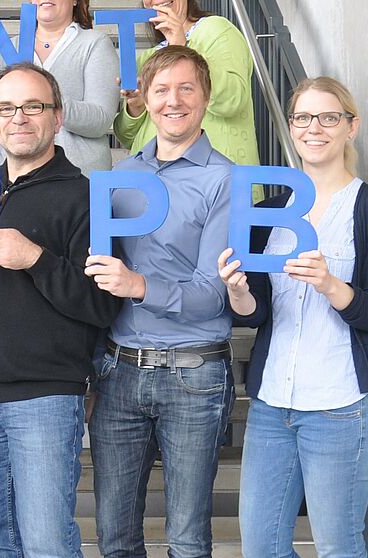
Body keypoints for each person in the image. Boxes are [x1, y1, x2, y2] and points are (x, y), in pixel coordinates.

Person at [218, 77, 368, 557]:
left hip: (341, 404)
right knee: (261, 546)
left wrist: (330, 285)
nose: (314, 128)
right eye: (303, 117)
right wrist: (237, 292)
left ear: (351, 127)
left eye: (328, 117)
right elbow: (256, 311)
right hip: (271, 404)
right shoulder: (268, 212)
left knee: (338, 546)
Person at [0, 62, 120, 557]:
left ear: (58, 117)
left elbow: (105, 304)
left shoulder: (87, 198)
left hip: (42, 400)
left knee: (47, 543)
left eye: (32, 106)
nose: (18, 117)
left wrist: (36, 260)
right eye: (5, 108)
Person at [84, 46, 234, 557]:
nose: (174, 101)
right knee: (115, 537)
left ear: (206, 97)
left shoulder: (226, 179)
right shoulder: (122, 176)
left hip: (194, 375)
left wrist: (140, 285)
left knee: (188, 540)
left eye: (186, 88)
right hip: (118, 372)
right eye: (162, 89)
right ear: (144, 100)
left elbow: (214, 295)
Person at [115, 0, 259, 194]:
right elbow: (126, 137)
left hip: (215, 186)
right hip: (157, 188)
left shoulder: (217, 29)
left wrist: (182, 47)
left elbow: (233, 100)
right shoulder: (147, 57)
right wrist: (137, 106)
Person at [0, 0, 119, 176]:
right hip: (15, 179)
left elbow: (100, 121)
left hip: (79, 177)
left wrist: (46, 100)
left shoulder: (95, 43)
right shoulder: (6, 49)